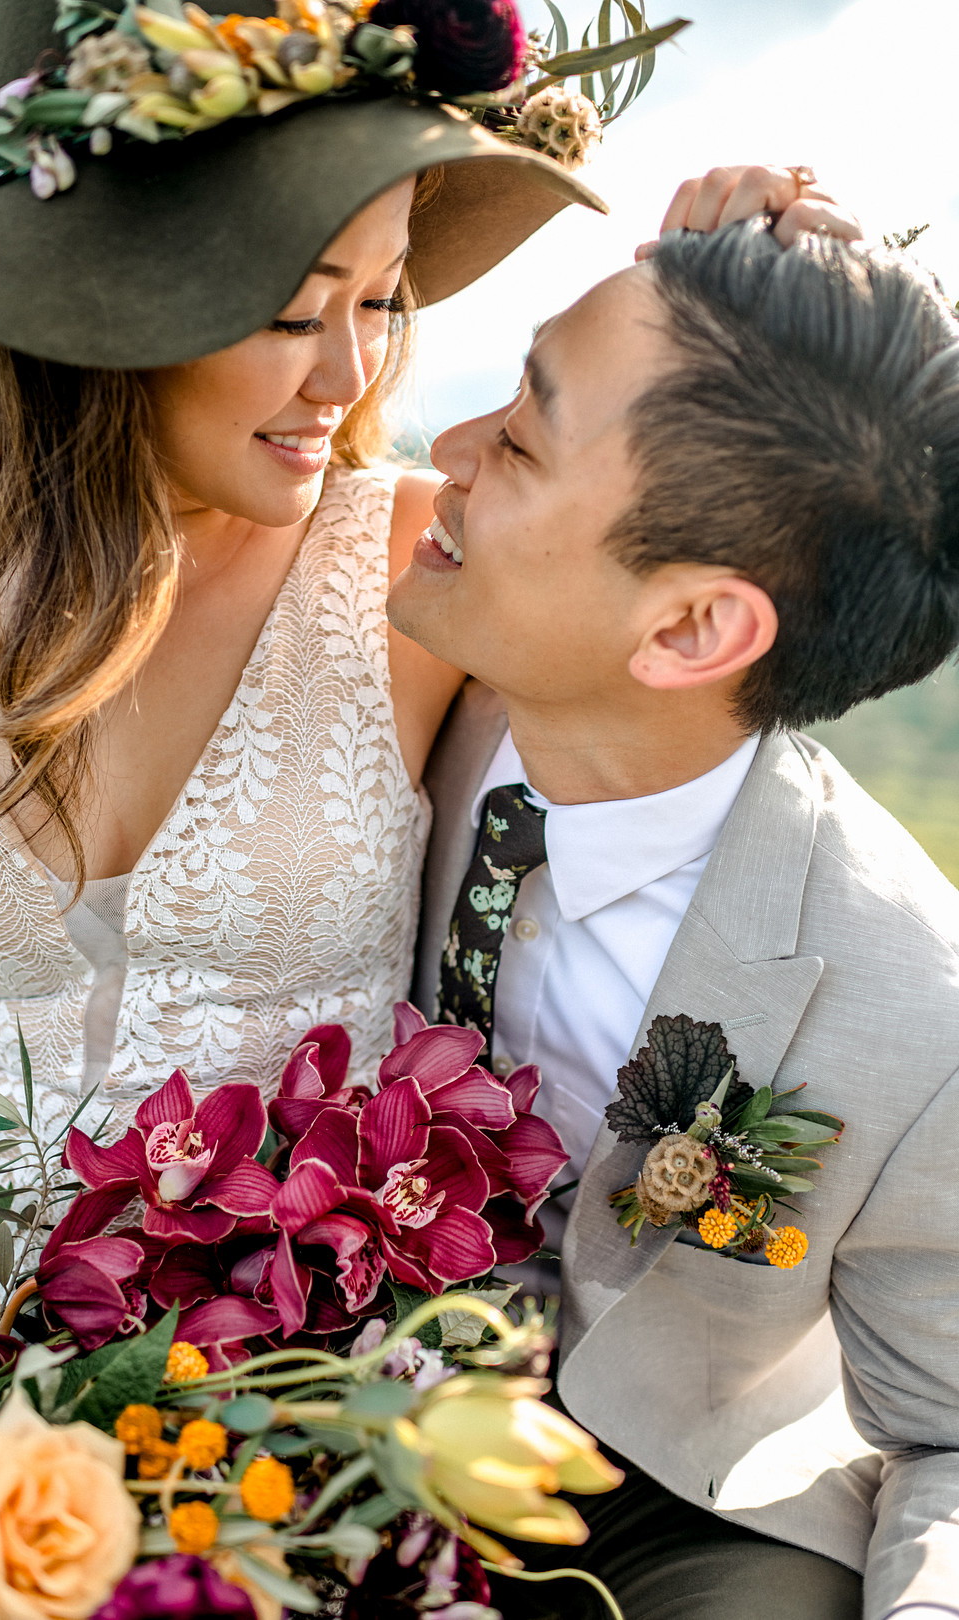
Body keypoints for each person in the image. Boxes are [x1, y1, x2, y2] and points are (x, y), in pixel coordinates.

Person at [0, 0, 608, 1226]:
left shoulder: (418, 558)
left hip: (291, 1341)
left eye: (380, 301)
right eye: (290, 311)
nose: (350, 374)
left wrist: (767, 297)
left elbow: (702, 626)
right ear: (92, 304)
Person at [392, 198, 959, 1616]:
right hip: (322, 1388)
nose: (446, 456)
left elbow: (949, 1433)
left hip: (672, 1502)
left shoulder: (915, 1009)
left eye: (520, 439)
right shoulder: (405, 678)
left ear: (693, 629)